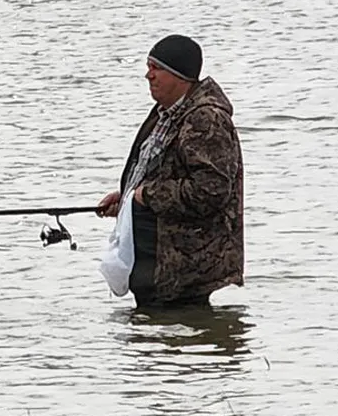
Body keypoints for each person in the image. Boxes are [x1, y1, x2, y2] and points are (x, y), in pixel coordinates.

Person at [98, 34, 244, 309]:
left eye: (156, 68)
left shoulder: (206, 119)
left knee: (176, 339)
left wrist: (146, 196)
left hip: (185, 269)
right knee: (151, 342)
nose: (148, 76)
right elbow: (165, 173)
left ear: (180, 75)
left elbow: (210, 191)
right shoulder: (165, 113)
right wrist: (127, 198)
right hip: (157, 265)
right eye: (148, 67)